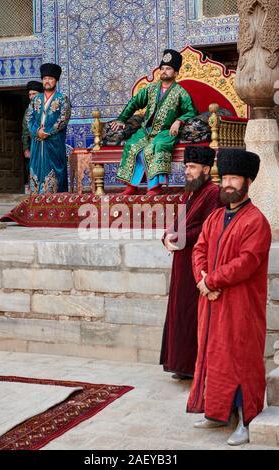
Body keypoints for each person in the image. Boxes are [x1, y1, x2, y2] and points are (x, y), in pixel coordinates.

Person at [187, 149, 272, 446]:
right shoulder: (214, 217)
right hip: (210, 302)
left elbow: (247, 262)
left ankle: (245, 420)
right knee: (214, 356)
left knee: (240, 359)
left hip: (240, 305)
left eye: (234, 178)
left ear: (248, 181)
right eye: (224, 178)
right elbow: (199, 249)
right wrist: (202, 278)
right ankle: (217, 413)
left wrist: (211, 280)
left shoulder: (256, 221)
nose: (228, 184)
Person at [160, 146, 221, 380]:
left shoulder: (213, 193)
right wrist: (167, 236)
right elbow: (180, 224)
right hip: (181, 261)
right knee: (179, 312)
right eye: (186, 166)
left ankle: (192, 365)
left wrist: (178, 238)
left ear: (206, 169)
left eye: (192, 167)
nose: (188, 171)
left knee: (190, 313)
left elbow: (209, 227)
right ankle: (179, 364)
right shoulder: (192, 192)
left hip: (197, 264)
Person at [111, 49, 197, 196]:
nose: (164, 71)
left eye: (168, 69)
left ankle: (154, 187)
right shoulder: (150, 89)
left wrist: (178, 121)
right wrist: (122, 119)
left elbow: (192, 111)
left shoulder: (180, 92)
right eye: (162, 68)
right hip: (147, 130)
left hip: (165, 131)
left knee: (154, 147)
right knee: (132, 145)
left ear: (175, 73)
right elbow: (134, 103)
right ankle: (132, 186)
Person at [26, 63, 71, 194]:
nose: (47, 81)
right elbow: (29, 119)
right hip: (37, 143)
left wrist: (48, 132)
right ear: (42, 80)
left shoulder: (63, 99)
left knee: (55, 173)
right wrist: (36, 132)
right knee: (36, 170)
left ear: (56, 80)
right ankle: (36, 206)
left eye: (50, 78)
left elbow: (63, 119)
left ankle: (56, 206)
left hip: (54, 143)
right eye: (45, 78)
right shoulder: (35, 100)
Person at [22, 81, 44, 190]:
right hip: (33, 145)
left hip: (46, 143)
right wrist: (26, 148)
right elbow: (25, 131)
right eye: (30, 94)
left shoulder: (46, 107)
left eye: (34, 94)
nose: (31, 97)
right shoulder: (28, 110)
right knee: (33, 169)